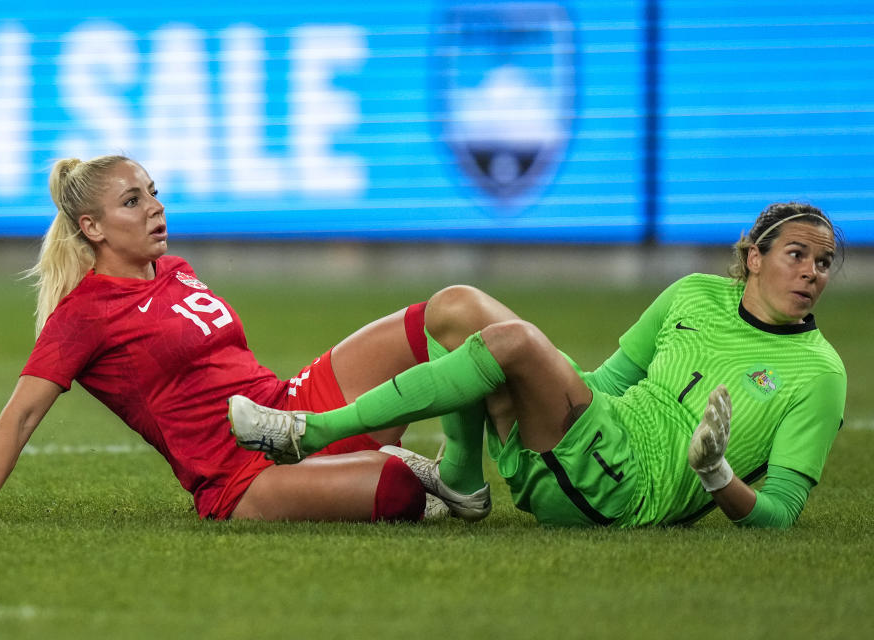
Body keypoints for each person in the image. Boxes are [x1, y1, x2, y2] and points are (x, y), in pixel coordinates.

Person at [230, 202, 847, 529]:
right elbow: (606, 384)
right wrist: (541, 376)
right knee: (458, 307)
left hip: (624, 493)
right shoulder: (693, 293)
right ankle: (465, 483)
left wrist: (716, 475)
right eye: (797, 255)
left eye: (824, 264)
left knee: (514, 343)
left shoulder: (821, 375)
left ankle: (311, 431)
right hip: (597, 435)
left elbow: (779, 516)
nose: (811, 273)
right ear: (754, 256)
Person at [0, 154, 444, 524]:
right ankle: (379, 463)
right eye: (132, 201)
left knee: (438, 320)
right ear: (91, 227)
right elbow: (22, 414)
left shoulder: (176, 269)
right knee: (399, 493)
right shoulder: (82, 315)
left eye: (153, 192)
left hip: (287, 407)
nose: (155, 207)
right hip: (238, 475)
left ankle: (369, 456)